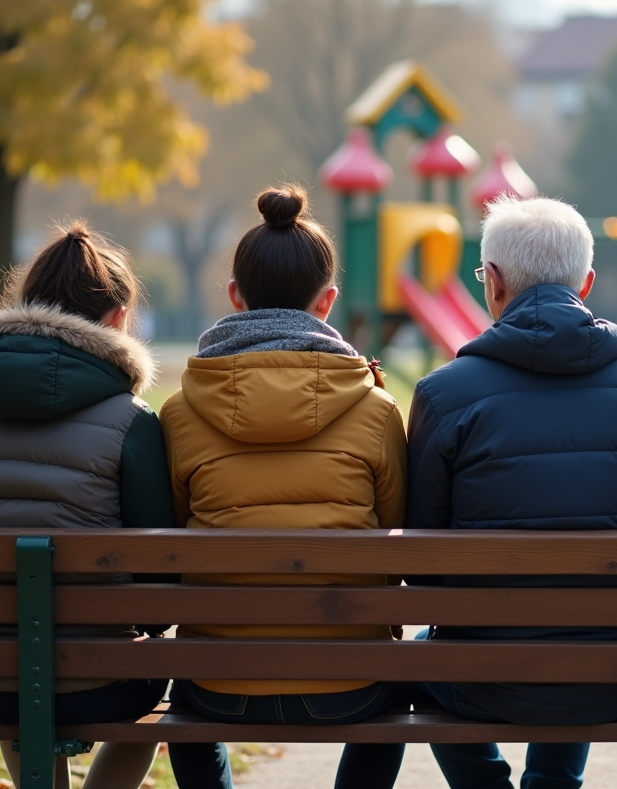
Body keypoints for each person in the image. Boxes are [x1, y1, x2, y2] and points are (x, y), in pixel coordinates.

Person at [405, 195, 617, 789]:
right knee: (584, 616)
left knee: (421, 652)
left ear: (493, 282)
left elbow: (420, 566)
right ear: (588, 282)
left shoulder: (444, 393)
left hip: (486, 678)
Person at [159, 185, 409, 789]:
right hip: (350, 687)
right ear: (327, 303)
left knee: (183, 696)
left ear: (235, 298)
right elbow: (399, 533)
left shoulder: (179, 413)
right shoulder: (376, 412)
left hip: (217, 686)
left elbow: (167, 539)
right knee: (410, 672)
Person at [0, 223, 173, 789]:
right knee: (161, 677)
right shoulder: (133, 423)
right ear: (115, 320)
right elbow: (159, 596)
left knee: (14, 672)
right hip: (103, 683)